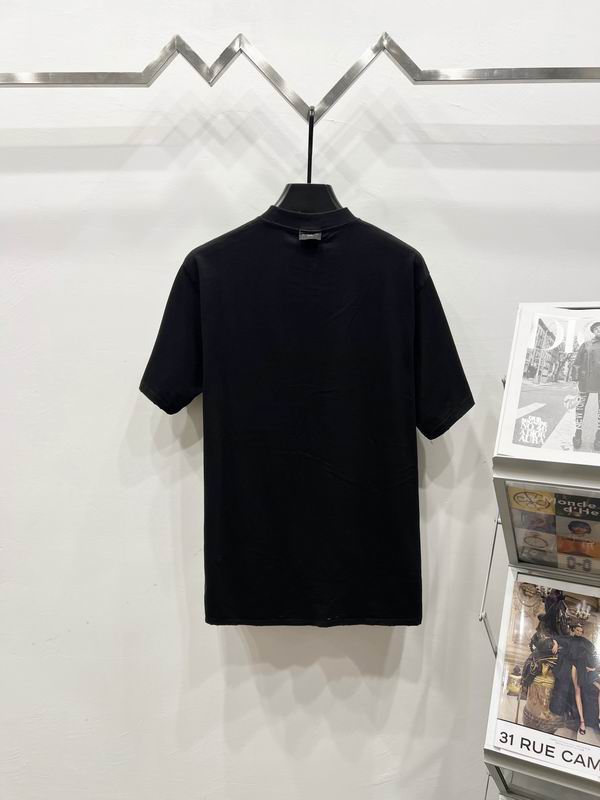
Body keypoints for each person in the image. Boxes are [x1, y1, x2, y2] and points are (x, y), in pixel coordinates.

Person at [571, 321, 600, 450]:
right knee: (580, 406)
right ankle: (578, 434)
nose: (599, 329)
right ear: (593, 331)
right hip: (585, 380)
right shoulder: (586, 344)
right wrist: (575, 379)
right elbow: (577, 362)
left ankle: (599, 437)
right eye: (596, 328)